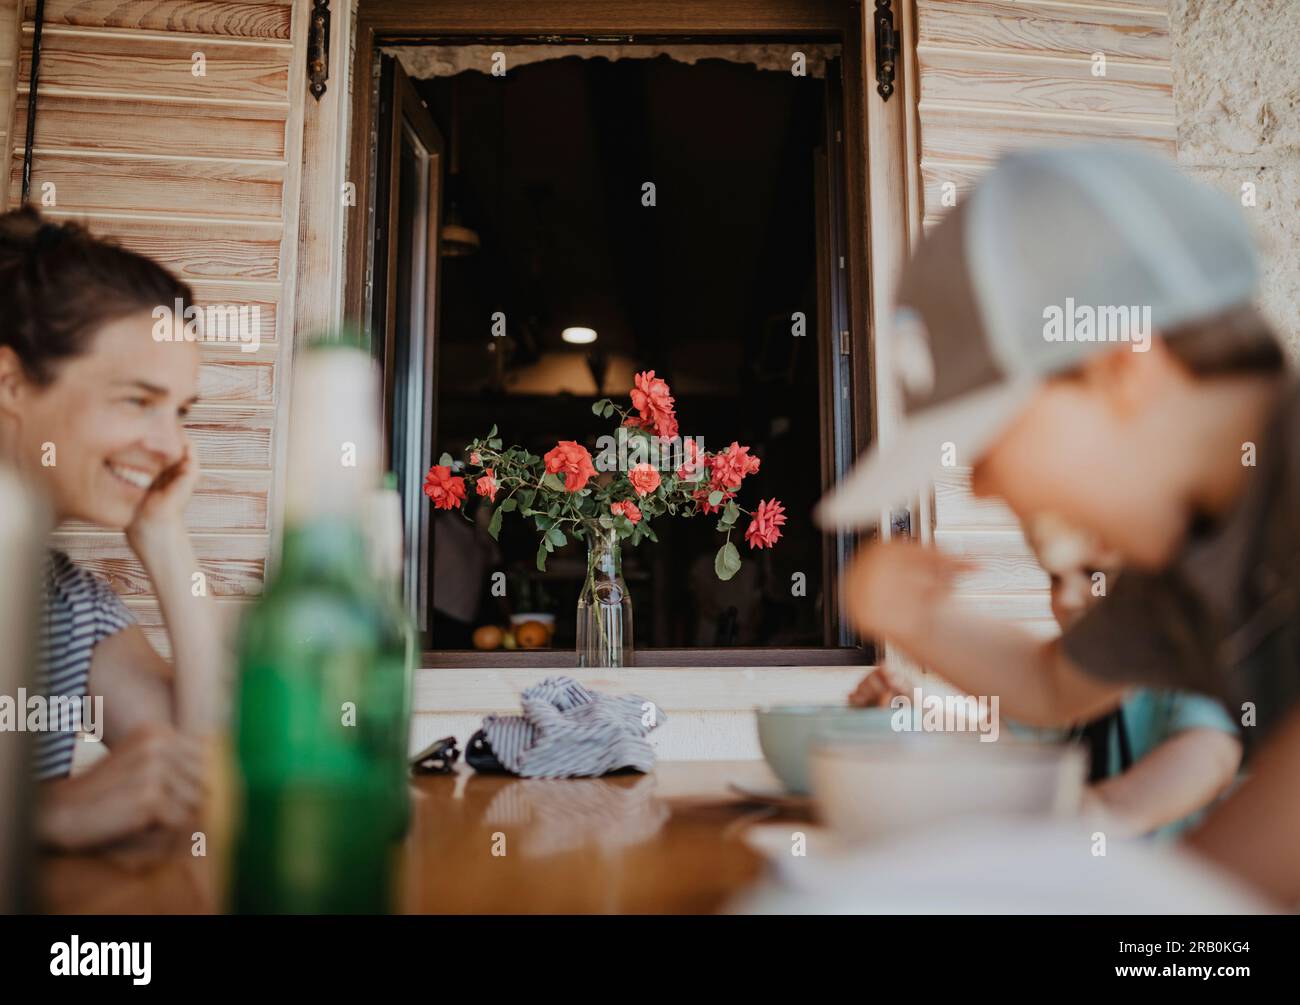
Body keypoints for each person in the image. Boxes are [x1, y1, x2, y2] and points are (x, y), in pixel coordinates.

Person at [817, 145, 1300, 903]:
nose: (976, 481)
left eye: (988, 435)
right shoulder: (1192, 552)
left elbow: (1218, 908)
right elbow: (1052, 685)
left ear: (1122, 364)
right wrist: (914, 618)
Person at [0, 207, 225, 850]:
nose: (171, 445)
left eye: (180, 412)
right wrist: (48, 815)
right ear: (12, 382)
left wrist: (164, 536)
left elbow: (200, 770)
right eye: (138, 400)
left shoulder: (66, 602)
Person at [850, 514, 1242, 839]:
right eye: (1055, 579)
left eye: (1093, 574)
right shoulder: (1065, 678)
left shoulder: (1184, 667)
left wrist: (1107, 809)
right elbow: (1001, 734)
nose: (1068, 598)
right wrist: (912, 709)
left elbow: (1212, 749)